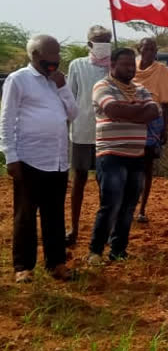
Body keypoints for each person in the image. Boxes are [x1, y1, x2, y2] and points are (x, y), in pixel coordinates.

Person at [0, 35, 78, 282]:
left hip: (57, 159)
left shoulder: (57, 81)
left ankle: (56, 264)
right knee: (25, 214)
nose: (55, 60)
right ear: (35, 55)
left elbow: (73, 114)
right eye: (50, 56)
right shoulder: (19, 80)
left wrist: (63, 86)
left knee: (54, 214)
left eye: (57, 55)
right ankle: (23, 267)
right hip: (29, 158)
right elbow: (6, 119)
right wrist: (10, 156)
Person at [88, 49, 160, 265]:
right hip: (111, 154)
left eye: (132, 65)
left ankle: (118, 250)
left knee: (129, 206)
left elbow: (154, 111)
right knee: (110, 204)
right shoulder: (102, 86)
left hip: (136, 154)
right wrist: (138, 112)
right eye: (125, 64)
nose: (130, 68)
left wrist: (126, 111)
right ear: (112, 65)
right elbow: (111, 109)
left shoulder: (140, 88)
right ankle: (95, 251)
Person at [66, 25, 113, 246]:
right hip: (82, 131)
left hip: (108, 132)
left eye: (106, 40)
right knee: (80, 180)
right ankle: (73, 228)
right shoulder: (77, 65)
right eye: (98, 40)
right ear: (89, 44)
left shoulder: (115, 66)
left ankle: (105, 231)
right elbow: (70, 97)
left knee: (107, 183)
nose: (103, 44)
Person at [132, 37, 168, 224]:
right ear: (139, 49)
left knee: (147, 166)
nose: (150, 52)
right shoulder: (130, 67)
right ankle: (129, 206)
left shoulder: (162, 70)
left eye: (153, 49)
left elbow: (165, 103)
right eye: (146, 48)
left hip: (154, 120)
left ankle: (142, 209)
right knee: (131, 166)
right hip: (131, 119)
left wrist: (165, 128)